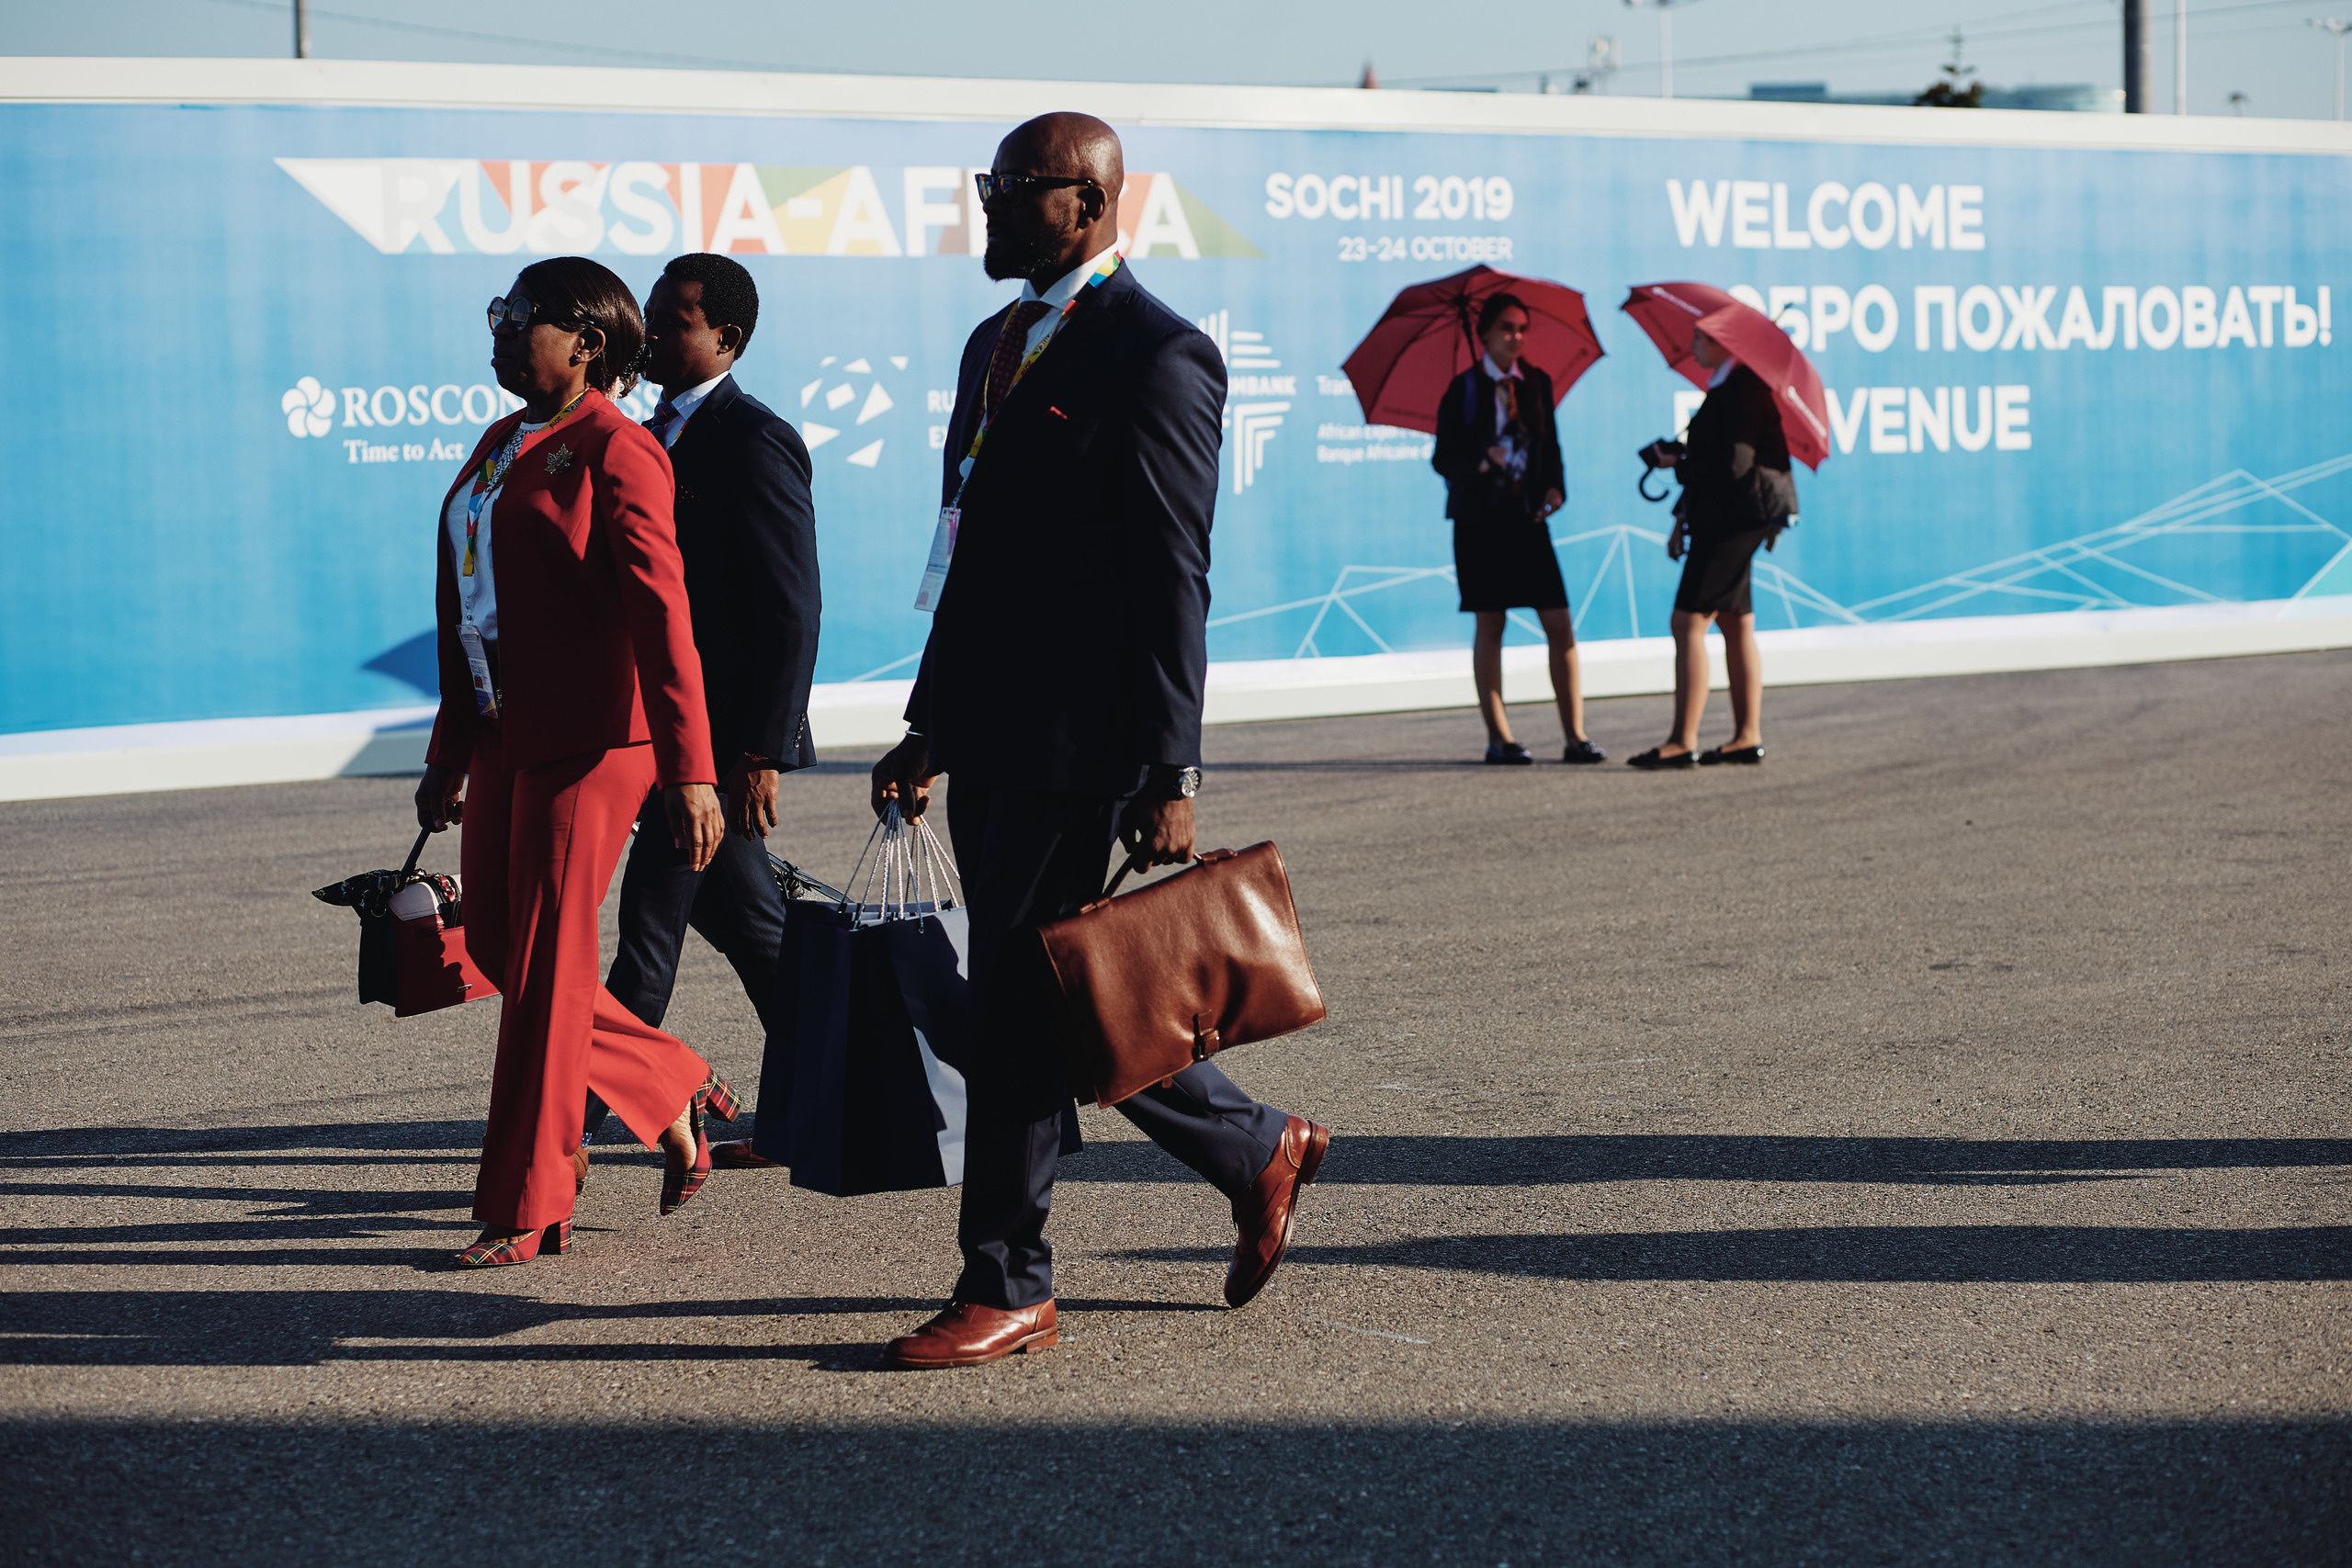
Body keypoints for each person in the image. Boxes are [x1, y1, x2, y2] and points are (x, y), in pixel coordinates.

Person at [868, 112, 1331, 1370]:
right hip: (991, 732)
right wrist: (931, 720)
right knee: (1055, 999)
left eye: (1012, 191)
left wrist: (1172, 767)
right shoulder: (995, 343)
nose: (990, 209)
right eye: (987, 186)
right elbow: (967, 556)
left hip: (1088, 744)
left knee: (1025, 1010)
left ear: (1089, 201)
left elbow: (1173, 569)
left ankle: (1008, 1279)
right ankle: (1254, 1145)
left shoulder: (1156, 353)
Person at [415, 255, 727, 1269]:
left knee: (548, 972)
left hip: (598, 743)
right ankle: (665, 1079)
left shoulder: (618, 449)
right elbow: (467, 609)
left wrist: (691, 769)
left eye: (522, 319)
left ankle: (528, 1201)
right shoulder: (503, 442)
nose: (502, 334)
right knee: (503, 951)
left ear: (588, 342)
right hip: (508, 731)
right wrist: (450, 750)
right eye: (497, 315)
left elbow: (663, 614)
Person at [573, 252, 822, 1183]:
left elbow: (791, 608)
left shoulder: (754, 440)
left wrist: (760, 748)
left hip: (713, 751)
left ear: (728, 338)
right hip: (658, 734)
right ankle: (851, 1097)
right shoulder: (642, 435)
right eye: (655, 314)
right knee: (759, 936)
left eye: (678, 320)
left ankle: (569, 1133)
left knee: (647, 938)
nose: (657, 331)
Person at [1430, 293, 1603, 766]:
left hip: (1528, 522)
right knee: (1492, 623)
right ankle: (1499, 737)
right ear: (1485, 334)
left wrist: (1556, 487)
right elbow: (1443, 459)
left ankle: (1575, 736)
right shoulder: (1463, 389)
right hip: (1479, 524)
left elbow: (1552, 447)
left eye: (1523, 329)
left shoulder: (1537, 384)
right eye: (1507, 328)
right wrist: (1482, 459)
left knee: (1559, 623)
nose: (1516, 337)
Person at [1626, 326, 1796, 770]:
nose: (1692, 343)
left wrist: (1677, 461)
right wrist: (1681, 516)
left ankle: (1682, 741)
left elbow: (1733, 464)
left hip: (1735, 522)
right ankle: (1746, 736)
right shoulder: (1725, 387)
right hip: (1727, 518)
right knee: (1736, 623)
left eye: (1700, 337)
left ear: (1727, 341)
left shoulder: (1741, 388)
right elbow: (1716, 459)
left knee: (1687, 623)